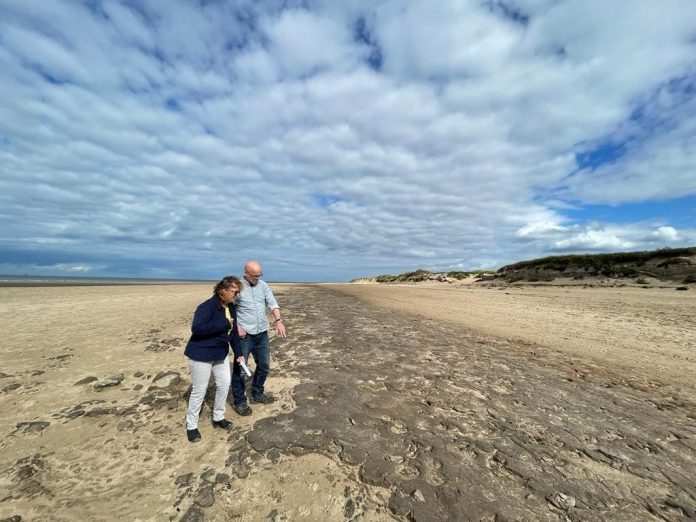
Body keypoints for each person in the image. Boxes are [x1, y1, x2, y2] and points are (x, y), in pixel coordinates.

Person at [183, 276, 245, 443]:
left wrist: (239, 354)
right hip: (201, 355)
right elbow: (197, 328)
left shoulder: (231, 307)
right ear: (222, 290)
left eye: (238, 292)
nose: (236, 295)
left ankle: (218, 417)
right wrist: (224, 324)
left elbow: (233, 336)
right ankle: (191, 426)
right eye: (234, 292)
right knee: (199, 390)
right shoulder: (206, 307)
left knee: (224, 384)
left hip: (220, 354)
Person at [230, 260, 287, 416]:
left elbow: (273, 304)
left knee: (264, 365)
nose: (257, 278)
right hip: (244, 336)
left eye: (259, 274)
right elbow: (228, 308)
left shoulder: (263, 285)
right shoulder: (237, 287)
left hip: (262, 333)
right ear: (246, 274)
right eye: (254, 276)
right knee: (240, 371)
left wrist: (278, 321)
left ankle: (257, 393)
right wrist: (237, 327)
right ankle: (240, 402)